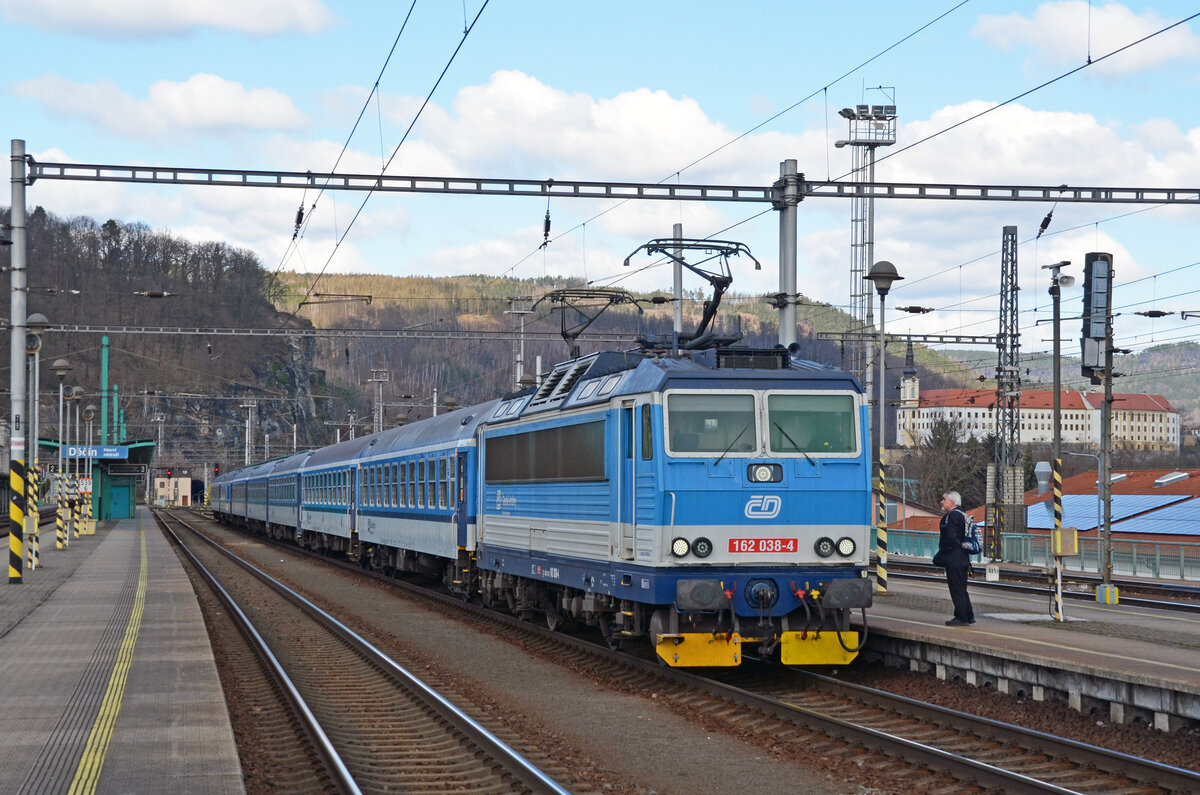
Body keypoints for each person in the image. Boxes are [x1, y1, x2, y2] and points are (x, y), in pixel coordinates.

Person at [933, 491, 975, 626]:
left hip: (954, 559)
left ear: (952, 502)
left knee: (956, 589)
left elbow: (950, 537)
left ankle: (961, 617)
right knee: (962, 588)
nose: (942, 502)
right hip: (963, 557)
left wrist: (944, 553)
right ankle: (968, 615)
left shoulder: (952, 516)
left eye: (944, 499)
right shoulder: (963, 514)